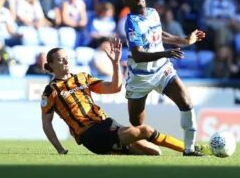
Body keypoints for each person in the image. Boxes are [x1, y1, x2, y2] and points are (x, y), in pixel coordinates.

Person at [41, 38, 188, 155]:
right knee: (145, 131)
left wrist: (115, 63)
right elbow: (47, 123)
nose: (66, 61)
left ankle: (113, 150)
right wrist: (59, 149)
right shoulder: (51, 90)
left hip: (107, 124)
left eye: (67, 58)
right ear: (51, 65)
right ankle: (189, 149)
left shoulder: (82, 77)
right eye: (61, 59)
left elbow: (114, 88)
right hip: (90, 134)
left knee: (154, 152)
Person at [121, 0, 206, 156]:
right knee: (137, 124)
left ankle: (189, 149)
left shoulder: (153, 13)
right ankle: (133, 146)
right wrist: (165, 53)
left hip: (162, 70)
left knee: (186, 102)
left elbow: (159, 34)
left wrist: (185, 40)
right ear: (128, 2)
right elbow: (137, 55)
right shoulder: (131, 23)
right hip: (140, 77)